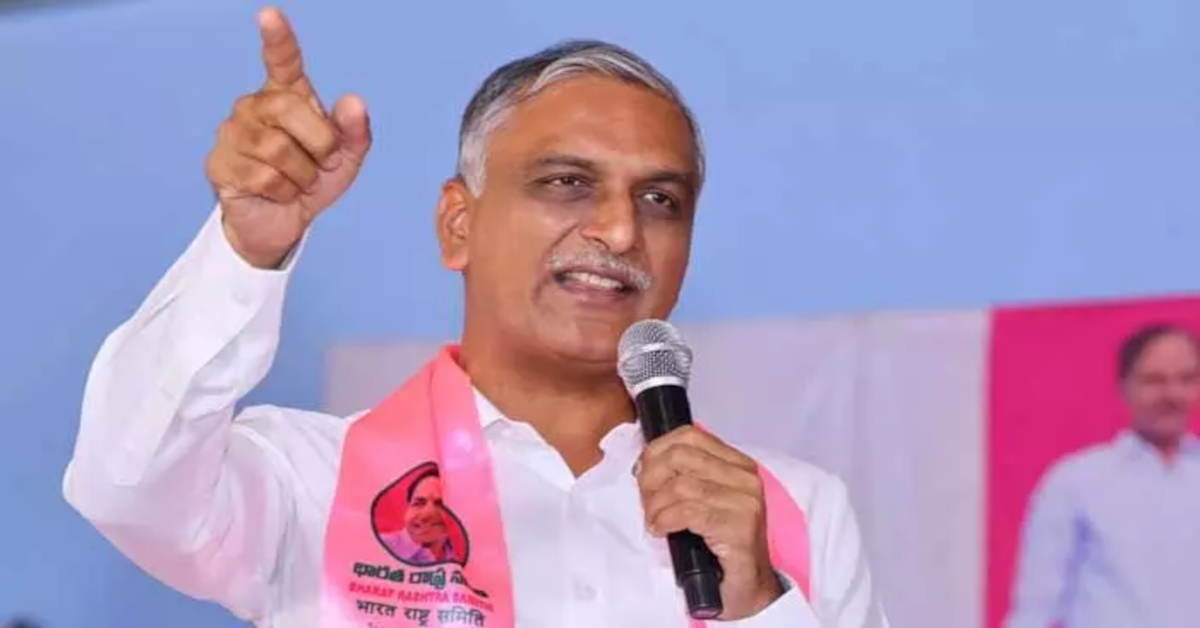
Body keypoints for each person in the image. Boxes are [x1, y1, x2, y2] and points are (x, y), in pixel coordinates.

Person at [62, 6, 887, 627]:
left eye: (660, 199)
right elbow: (124, 485)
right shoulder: (311, 481)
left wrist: (761, 603)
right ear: (458, 225)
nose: (620, 231)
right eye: (567, 183)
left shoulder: (792, 510)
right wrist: (245, 246)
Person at [1005, 323, 1200, 628]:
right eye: (1154, 381)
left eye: (1186, 379)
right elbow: (1036, 607)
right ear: (1124, 387)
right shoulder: (1078, 482)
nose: (1172, 394)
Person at [376, 468, 462, 566]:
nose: (426, 514)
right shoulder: (376, 545)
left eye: (441, 504)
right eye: (418, 503)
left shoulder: (463, 561)